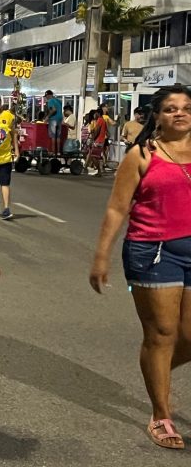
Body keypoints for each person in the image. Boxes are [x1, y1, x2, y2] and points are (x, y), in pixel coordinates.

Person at [90, 85, 191, 450]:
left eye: (185, 108)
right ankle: (161, 413)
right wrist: (101, 255)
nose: (179, 114)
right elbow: (118, 208)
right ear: (157, 116)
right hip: (153, 252)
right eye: (170, 109)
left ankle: (157, 375)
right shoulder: (142, 154)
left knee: (189, 338)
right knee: (162, 333)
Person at [86, 108, 108, 176]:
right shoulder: (103, 121)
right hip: (101, 140)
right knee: (96, 156)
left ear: (98, 113)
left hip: (98, 141)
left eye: (95, 113)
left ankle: (99, 170)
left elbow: (97, 130)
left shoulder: (100, 120)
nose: (94, 115)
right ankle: (99, 171)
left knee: (93, 156)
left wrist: (92, 138)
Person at [43, 90, 63, 155]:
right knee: (58, 136)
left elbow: (54, 110)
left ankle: (54, 152)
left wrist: (47, 117)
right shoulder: (58, 101)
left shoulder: (50, 101)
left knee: (53, 136)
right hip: (60, 119)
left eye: (46, 96)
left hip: (53, 119)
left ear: (48, 95)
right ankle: (58, 152)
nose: (46, 98)